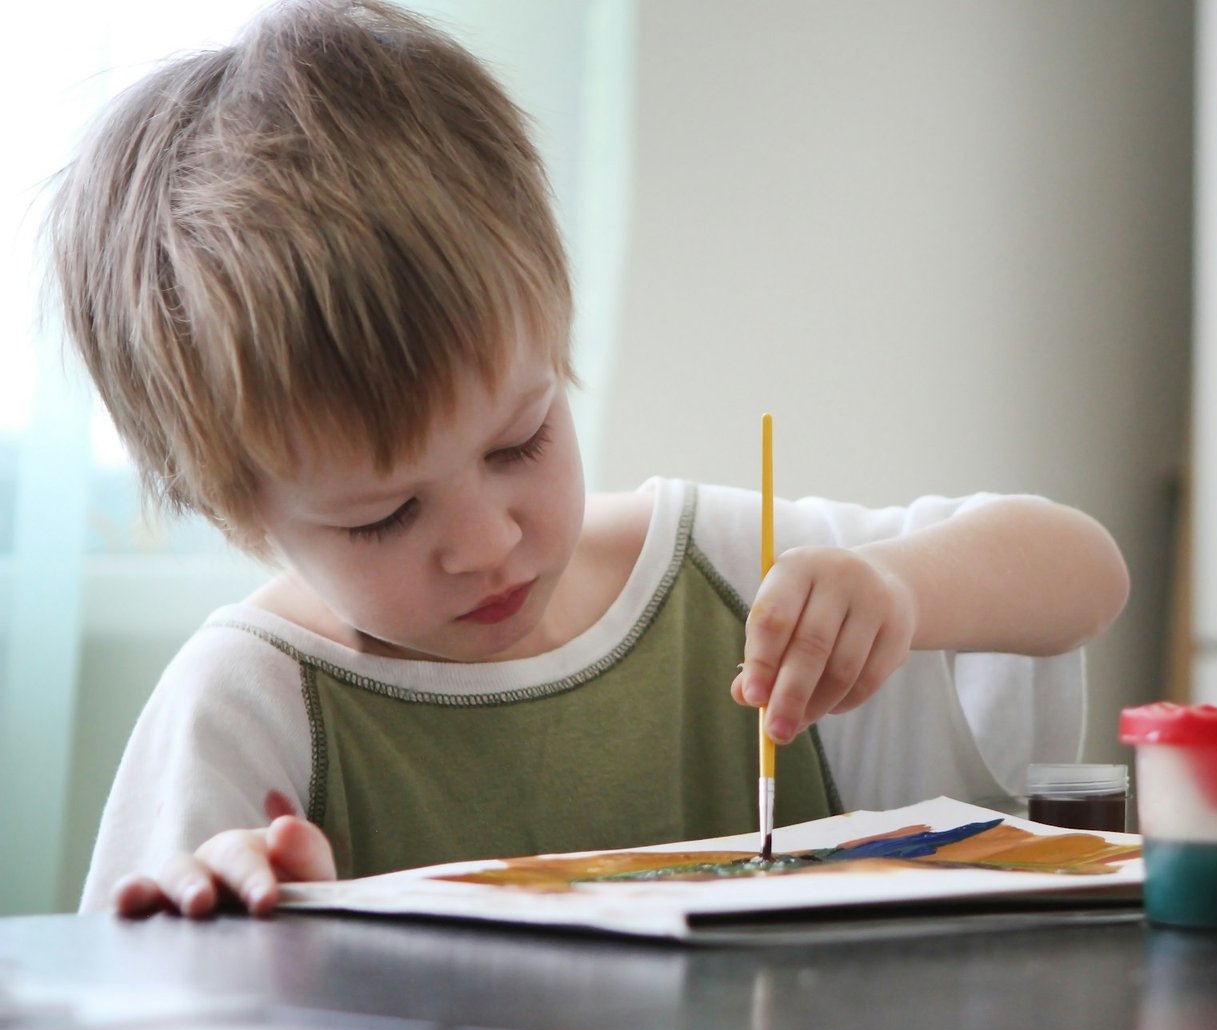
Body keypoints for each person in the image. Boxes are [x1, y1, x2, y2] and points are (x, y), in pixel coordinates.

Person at [46, 0, 1130, 918]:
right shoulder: (249, 706)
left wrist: (900, 590)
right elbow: (141, 1001)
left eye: (519, 441)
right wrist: (256, 926)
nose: (485, 542)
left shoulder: (726, 570)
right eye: (382, 515)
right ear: (238, 514)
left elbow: (1082, 573)